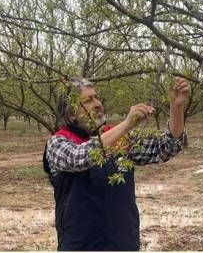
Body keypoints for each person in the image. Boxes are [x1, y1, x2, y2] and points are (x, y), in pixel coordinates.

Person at [43, 77, 191, 251]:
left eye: (96, 97)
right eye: (88, 100)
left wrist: (177, 106)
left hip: (123, 244)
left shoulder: (118, 137)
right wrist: (127, 124)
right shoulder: (58, 143)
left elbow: (166, 147)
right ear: (71, 113)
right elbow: (79, 157)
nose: (98, 103)